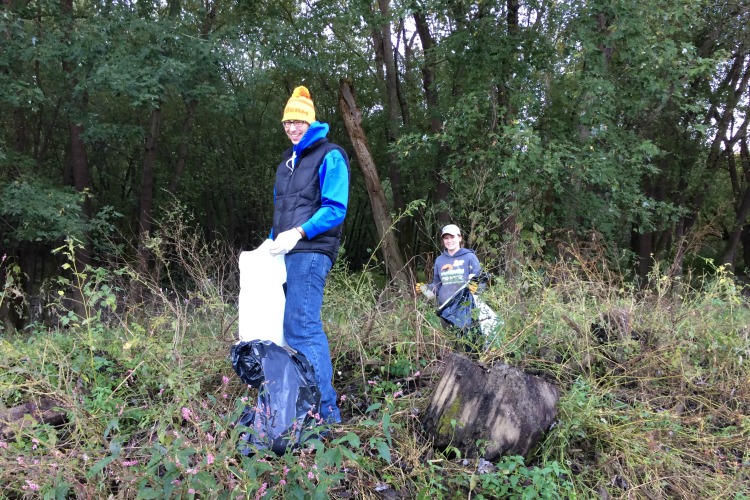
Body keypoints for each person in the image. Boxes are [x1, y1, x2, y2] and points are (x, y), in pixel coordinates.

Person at [264, 86, 349, 424]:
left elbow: (336, 208)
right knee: (287, 330)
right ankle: (303, 407)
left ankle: (326, 413)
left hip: (312, 250)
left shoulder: (330, 154)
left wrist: (299, 233)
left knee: (302, 327)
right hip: (286, 252)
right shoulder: (286, 164)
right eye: (287, 123)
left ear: (310, 122)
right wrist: (270, 245)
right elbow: (281, 213)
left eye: (298, 121)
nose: (293, 128)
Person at [417, 224, 481, 306]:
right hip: (445, 309)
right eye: (446, 238)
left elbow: (481, 281)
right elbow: (438, 286)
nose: (449, 241)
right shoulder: (439, 260)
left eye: (452, 237)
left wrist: (476, 288)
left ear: (459, 238)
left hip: (465, 308)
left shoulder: (470, 257)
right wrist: (425, 289)